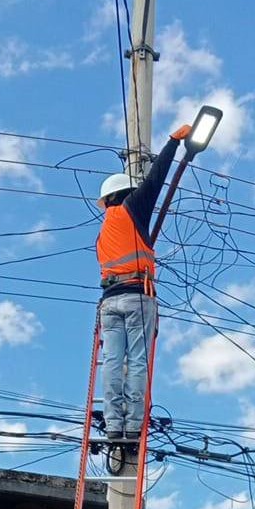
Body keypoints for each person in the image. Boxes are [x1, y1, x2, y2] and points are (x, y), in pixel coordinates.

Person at [96, 124, 192, 440]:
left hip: (109, 302)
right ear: (126, 193)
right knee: (137, 361)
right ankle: (134, 425)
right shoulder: (132, 209)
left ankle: (113, 424)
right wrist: (173, 142)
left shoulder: (103, 234)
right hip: (138, 296)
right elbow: (156, 180)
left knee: (111, 361)